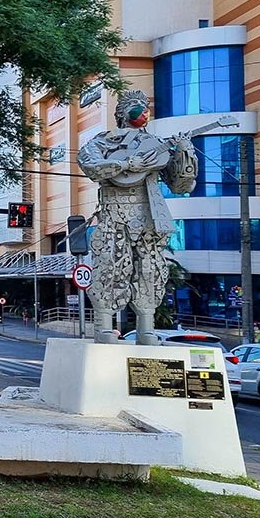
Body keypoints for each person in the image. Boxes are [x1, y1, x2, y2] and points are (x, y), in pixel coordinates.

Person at [77, 90, 198, 345]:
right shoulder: (103, 141)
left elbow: (181, 186)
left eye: (146, 108)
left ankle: (147, 328)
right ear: (122, 114)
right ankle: (105, 326)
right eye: (137, 108)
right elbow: (90, 165)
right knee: (110, 266)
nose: (144, 112)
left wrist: (185, 152)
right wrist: (125, 165)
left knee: (150, 269)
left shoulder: (156, 145)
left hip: (149, 216)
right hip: (114, 214)